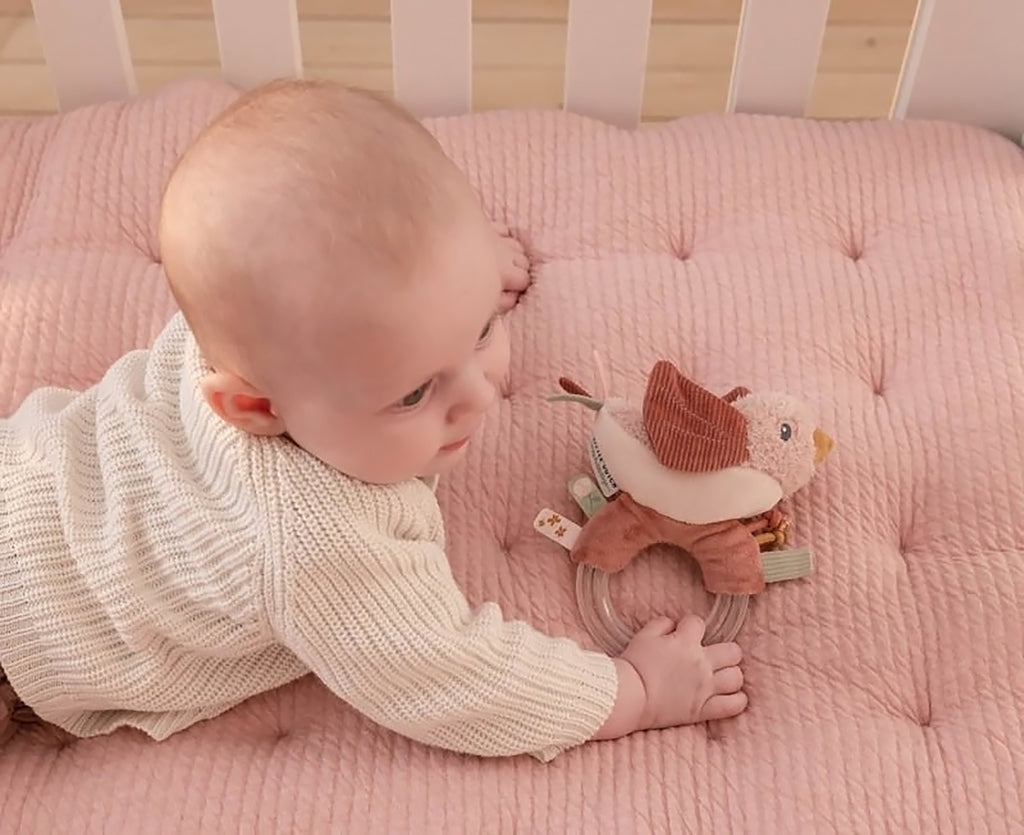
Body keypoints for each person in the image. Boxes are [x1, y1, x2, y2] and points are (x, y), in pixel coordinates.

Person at [0, 79, 747, 760]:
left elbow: (332, 269)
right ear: (258, 409)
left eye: (482, 328)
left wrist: (447, 287)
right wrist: (632, 692)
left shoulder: (274, 331)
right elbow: (452, 676)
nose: (480, 396)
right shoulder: (317, 544)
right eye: (414, 392)